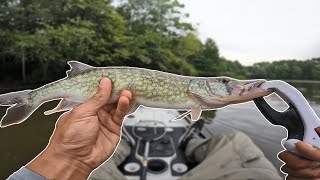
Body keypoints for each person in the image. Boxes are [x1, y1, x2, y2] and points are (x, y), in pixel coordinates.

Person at [7, 78, 319, 180]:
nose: (232, 86)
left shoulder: (194, 98)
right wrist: (69, 158)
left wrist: (68, 160)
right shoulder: (191, 92)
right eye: (225, 82)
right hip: (89, 86)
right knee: (234, 142)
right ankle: (30, 99)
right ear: (203, 86)